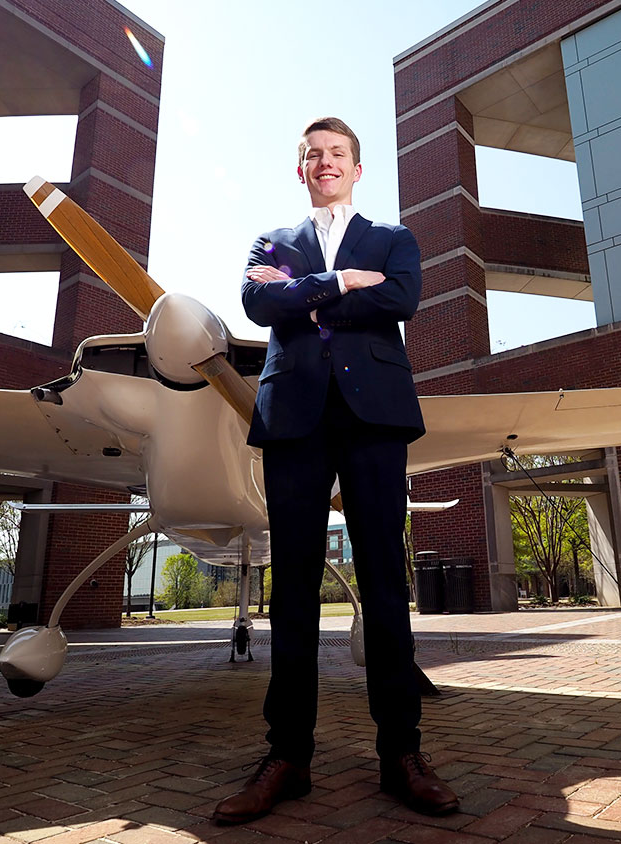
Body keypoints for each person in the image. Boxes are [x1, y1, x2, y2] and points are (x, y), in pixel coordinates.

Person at [214, 117, 458, 825]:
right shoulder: (271, 243)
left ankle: (401, 754)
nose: (325, 163)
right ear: (301, 170)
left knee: (385, 579)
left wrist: (307, 293)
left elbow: (402, 297)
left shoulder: (394, 238)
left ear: (356, 168)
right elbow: (259, 302)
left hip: (373, 413)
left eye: (337, 154)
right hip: (295, 413)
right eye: (313, 155)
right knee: (293, 585)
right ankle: (287, 756)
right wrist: (342, 280)